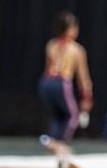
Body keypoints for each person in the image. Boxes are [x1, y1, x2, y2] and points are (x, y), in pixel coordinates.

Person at [38, 11, 92, 155]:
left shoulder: (51, 44)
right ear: (72, 29)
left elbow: (48, 68)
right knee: (73, 115)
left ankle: (52, 140)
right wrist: (86, 98)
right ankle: (62, 142)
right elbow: (83, 77)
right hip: (61, 82)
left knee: (57, 115)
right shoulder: (76, 49)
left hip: (46, 83)